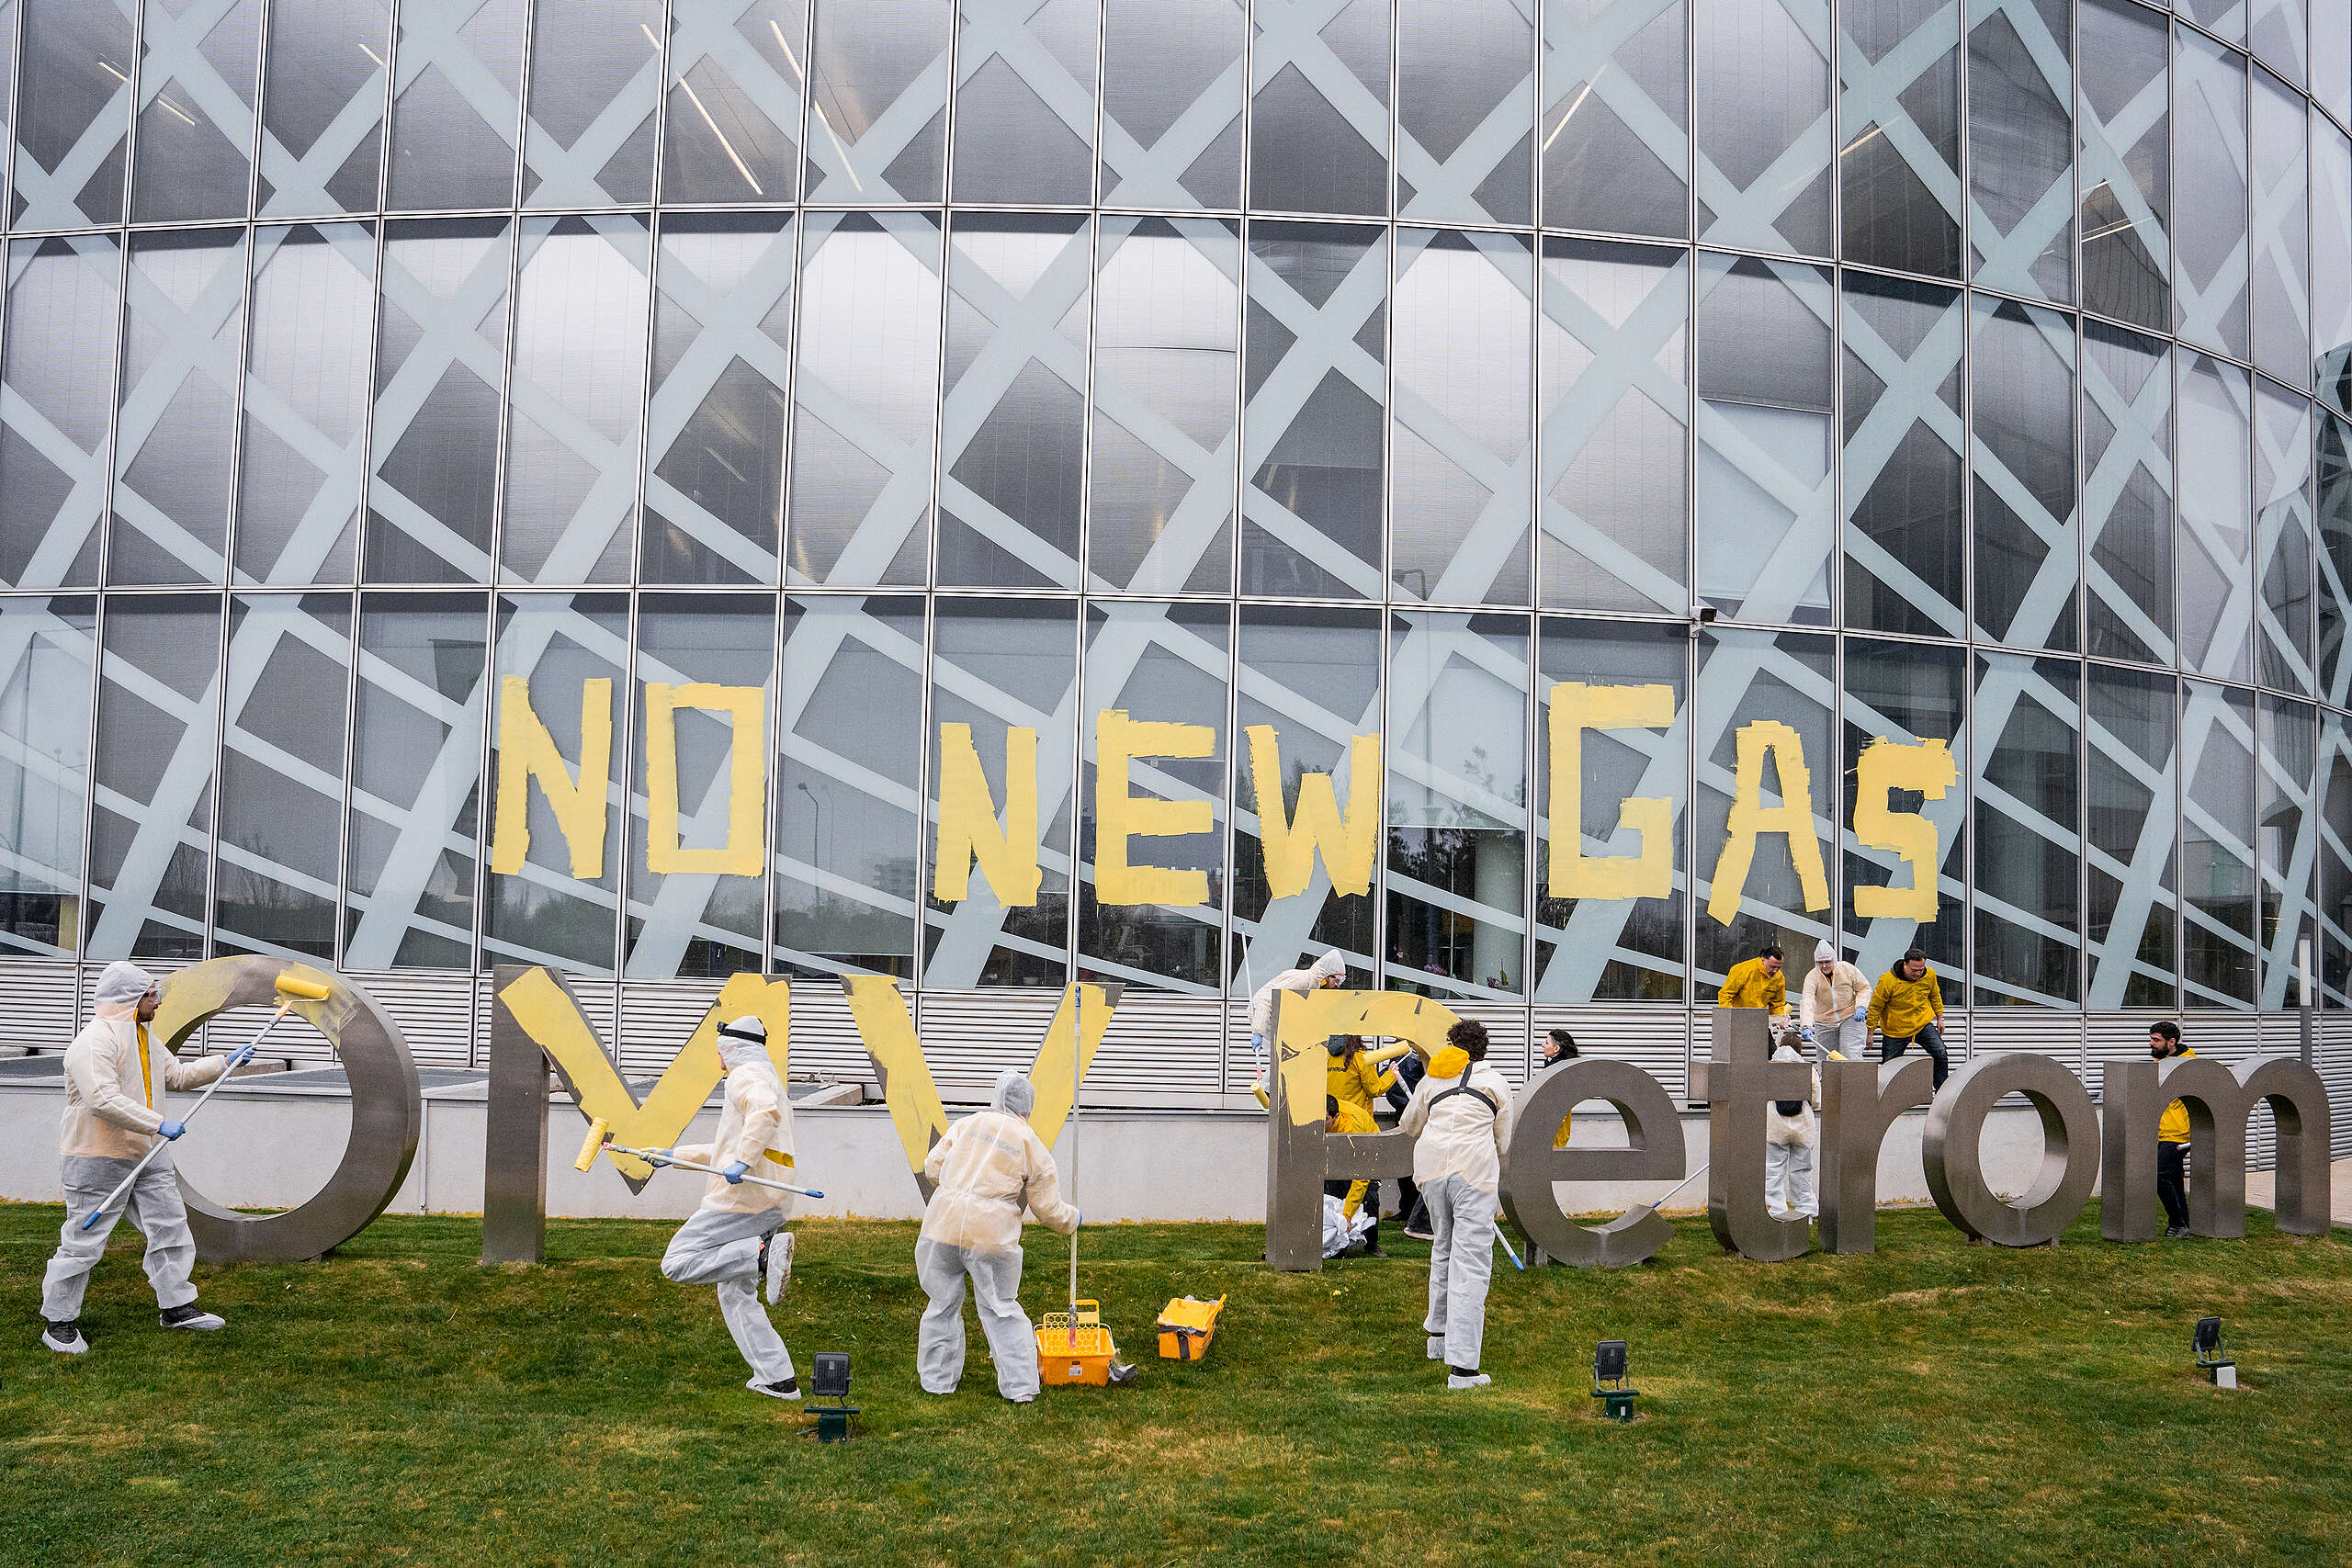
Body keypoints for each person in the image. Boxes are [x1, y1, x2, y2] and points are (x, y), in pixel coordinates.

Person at [40, 961, 235, 1353]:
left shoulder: (144, 1036)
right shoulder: (95, 1040)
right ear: (129, 999)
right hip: (98, 1156)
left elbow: (177, 1075)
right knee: (83, 1240)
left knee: (170, 1228)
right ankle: (58, 1321)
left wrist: (225, 1062)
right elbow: (101, 1099)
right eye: (151, 995)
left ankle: (177, 1307)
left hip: (148, 1154)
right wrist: (158, 1123)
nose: (157, 1002)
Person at [654, 1015, 801, 1400]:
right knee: (735, 1294)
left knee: (677, 1261)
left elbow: (763, 1114)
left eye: (720, 1053)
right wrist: (675, 1156)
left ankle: (762, 1257)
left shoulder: (745, 1075)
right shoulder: (765, 1076)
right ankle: (778, 1379)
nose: (718, 1062)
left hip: (741, 1201)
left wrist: (744, 1163)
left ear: (731, 1049)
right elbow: (727, 1150)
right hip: (768, 1200)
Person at [914, 1066, 1080, 1402]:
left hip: (941, 1226)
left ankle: (936, 1381)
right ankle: (1020, 1387)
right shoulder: (1029, 1142)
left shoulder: (967, 1124)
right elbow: (1047, 1207)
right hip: (990, 1235)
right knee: (1001, 1308)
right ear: (1027, 1107)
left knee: (941, 1305)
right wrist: (1073, 1219)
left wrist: (956, 1188)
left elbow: (932, 1167)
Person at [1399, 1019, 1518, 1391]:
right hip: (1474, 1174)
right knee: (1472, 1263)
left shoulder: (1432, 1080)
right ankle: (1464, 1368)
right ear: (1483, 1049)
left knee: (1443, 1249)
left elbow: (1409, 1126)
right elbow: (1503, 1140)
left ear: (1452, 1045)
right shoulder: (1495, 1081)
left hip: (1431, 1171)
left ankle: (1437, 1338)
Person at [1248, 950, 1348, 1100]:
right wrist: (1258, 1031)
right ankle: (1268, 1091)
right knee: (1283, 1054)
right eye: (1337, 981)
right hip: (1265, 1015)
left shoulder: (1314, 985)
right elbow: (1266, 1001)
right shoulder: (1304, 979)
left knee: (1290, 1053)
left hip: (1277, 1017)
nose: (1338, 986)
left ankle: (1275, 1090)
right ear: (1328, 976)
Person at [1869, 947, 1949, 1089]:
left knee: (1940, 1052)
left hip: (1922, 1023)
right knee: (1889, 1064)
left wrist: (1940, 1018)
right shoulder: (1887, 980)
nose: (1918, 973)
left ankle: (1942, 1090)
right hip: (1896, 1029)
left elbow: (1935, 995)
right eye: (1914, 970)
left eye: (1921, 969)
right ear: (1905, 964)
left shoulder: (1930, 975)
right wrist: (1870, 1032)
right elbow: (1876, 1006)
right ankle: (1886, 1097)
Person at [1765, 1027, 1821, 1220]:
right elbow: (1816, 1099)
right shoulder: (1808, 1069)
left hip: (1775, 1127)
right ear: (1800, 1049)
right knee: (1802, 1172)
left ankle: (1777, 1212)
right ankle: (1807, 1213)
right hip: (1803, 1127)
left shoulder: (1770, 1067)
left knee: (1773, 1173)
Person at [2150, 1021, 2195, 1237]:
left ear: (2172, 1042)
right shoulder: (2162, 1061)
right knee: (2174, 1178)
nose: (2151, 1043)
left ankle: (2178, 1222)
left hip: (2178, 1133)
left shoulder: (2186, 1065)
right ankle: (2183, 1224)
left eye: (2156, 1040)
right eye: (2151, 1038)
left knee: (2159, 1176)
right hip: (2164, 1131)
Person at [1323, 1095, 1379, 1258]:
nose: (1319, 1123)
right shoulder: (1322, 1117)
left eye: (1324, 1119)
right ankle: (1337, 1246)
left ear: (1336, 1117)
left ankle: (1372, 1245)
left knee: (1369, 1198)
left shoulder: (1352, 1130)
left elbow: (1361, 1177)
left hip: (1370, 1150)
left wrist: (1347, 1216)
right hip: (1338, 1151)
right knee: (1333, 1195)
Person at [1386, 1051, 1431, 1240]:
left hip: (1420, 1116)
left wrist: (1416, 1108)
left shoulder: (1422, 1054)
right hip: (1404, 1113)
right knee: (1403, 1163)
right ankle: (1405, 1208)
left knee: (1420, 1165)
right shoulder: (1400, 1052)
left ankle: (1416, 1213)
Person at [1799, 940, 1870, 1059]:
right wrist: (1806, 1025)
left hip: (1849, 1016)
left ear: (1834, 960)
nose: (1824, 965)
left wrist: (1861, 1006)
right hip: (1824, 1021)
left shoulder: (1847, 969)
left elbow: (1864, 987)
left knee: (1850, 1052)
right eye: (1820, 962)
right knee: (1825, 1056)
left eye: (1827, 961)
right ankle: (1825, 1078)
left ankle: (1855, 1078)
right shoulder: (1812, 977)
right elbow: (1807, 1001)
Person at [1717, 943, 1790, 1021]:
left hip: (1760, 1019)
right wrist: (1730, 1017)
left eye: (1779, 967)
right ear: (1763, 959)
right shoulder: (1743, 970)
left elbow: (1777, 1004)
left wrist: (1779, 1019)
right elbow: (1725, 995)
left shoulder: (1779, 977)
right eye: (1773, 966)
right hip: (1739, 1018)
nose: (1775, 971)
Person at [1541, 1028, 1578, 1149]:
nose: (1542, 1045)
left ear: (1556, 1049)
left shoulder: (1560, 1072)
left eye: (1547, 1043)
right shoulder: (1555, 1067)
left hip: (1555, 1125)